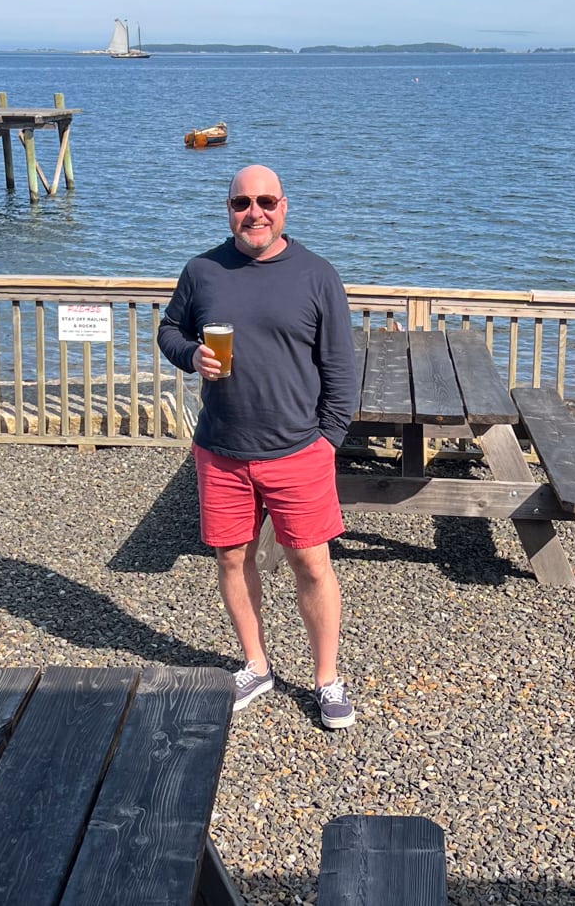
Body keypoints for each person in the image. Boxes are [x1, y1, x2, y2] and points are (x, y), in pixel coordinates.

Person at [157, 165, 360, 729]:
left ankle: (326, 679)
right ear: (228, 209)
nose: (255, 212)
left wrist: (328, 443)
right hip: (221, 449)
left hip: (299, 451)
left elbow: (341, 369)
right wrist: (190, 354)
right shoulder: (203, 271)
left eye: (265, 201)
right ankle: (256, 664)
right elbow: (169, 330)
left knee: (312, 565)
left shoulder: (317, 275)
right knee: (231, 557)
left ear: (284, 207)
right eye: (242, 202)